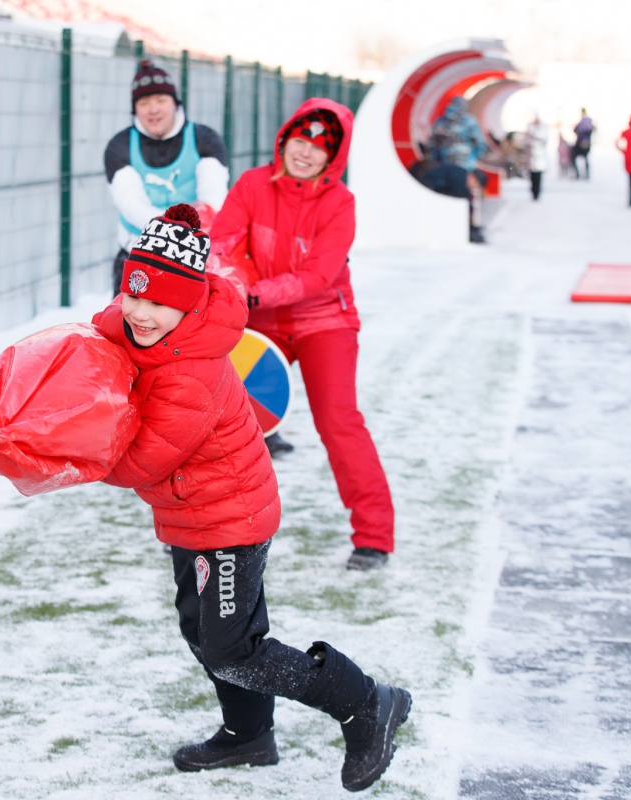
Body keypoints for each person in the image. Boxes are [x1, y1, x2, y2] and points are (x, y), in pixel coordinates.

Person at [93, 203, 412, 788]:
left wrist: (72, 454)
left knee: (233, 650)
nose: (139, 312)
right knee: (205, 633)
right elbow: (107, 330)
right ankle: (249, 735)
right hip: (192, 514)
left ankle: (366, 702)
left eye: (158, 302)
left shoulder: (191, 371)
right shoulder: (150, 333)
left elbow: (144, 460)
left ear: (188, 304)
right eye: (132, 295)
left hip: (229, 520)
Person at [208, 99, 396, 572]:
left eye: (320, 147)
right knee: (218, 419)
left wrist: (254, 293)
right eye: (300, 140)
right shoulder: (252, 184)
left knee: (339, 421)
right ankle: (202, 531)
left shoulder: (340, 203)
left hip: (323, 321)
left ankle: (374, 537)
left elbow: (317, 276)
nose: (306, 153)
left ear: (333, 157)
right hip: (258, 319)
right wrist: (242, 286)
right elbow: (225, 244)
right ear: (285, 139)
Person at [104, 59, 229, 293]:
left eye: (161, 100)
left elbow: (213, 200)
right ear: (135, 109)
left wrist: (183, 243)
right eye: (144, 102)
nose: (153, 109)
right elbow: (131, 205)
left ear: (175, 103)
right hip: (137, 253)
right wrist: (172, 236)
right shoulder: (119, 146)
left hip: (194, 257)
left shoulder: (205, 139)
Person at [427, 97, 489, 243]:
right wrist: (472, 157)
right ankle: (468, 229)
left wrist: (441, 160)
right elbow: (480, 143)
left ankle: (448, 227)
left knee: (446, 198)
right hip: (464, 166)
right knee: (465, 198)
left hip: (446, 167)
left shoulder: (441, 122)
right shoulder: (469, 121)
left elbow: (432, 146)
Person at [524, 113, 549, 200]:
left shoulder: (543, 128)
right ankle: (533, 192)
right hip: (531, 156)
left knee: (538, 176)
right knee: (532, 176)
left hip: (539, 157)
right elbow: (526, 141)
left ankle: (537, 193)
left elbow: (545, 139)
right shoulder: (530, 127)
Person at [571, 109, 594, 179]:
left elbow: (589, 131)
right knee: (576, 158)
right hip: (581, 143)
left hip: (584, 143)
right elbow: (575, 130)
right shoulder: (582, 122)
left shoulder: (587, 122)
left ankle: (585, 175)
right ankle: (580, 174)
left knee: (584, 159)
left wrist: (581, 133)